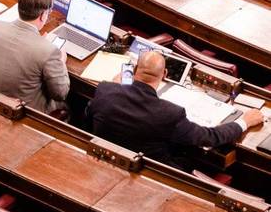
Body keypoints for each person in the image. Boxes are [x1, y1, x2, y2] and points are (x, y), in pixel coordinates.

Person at [85, 50, 264, 170]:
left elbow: (89, 113)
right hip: (150, 171)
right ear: (164, 75)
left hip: (105, 159)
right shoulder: (170, 113)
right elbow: (209, 138)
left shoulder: (106, 90)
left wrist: (118, 89)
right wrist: (244, 122)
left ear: (135, 70)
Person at [0, 0, 69, 114]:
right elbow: (61, 93)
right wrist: (61, 61)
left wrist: (39, 43)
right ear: (43, 15)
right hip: (25, 113)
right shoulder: (49, 51)